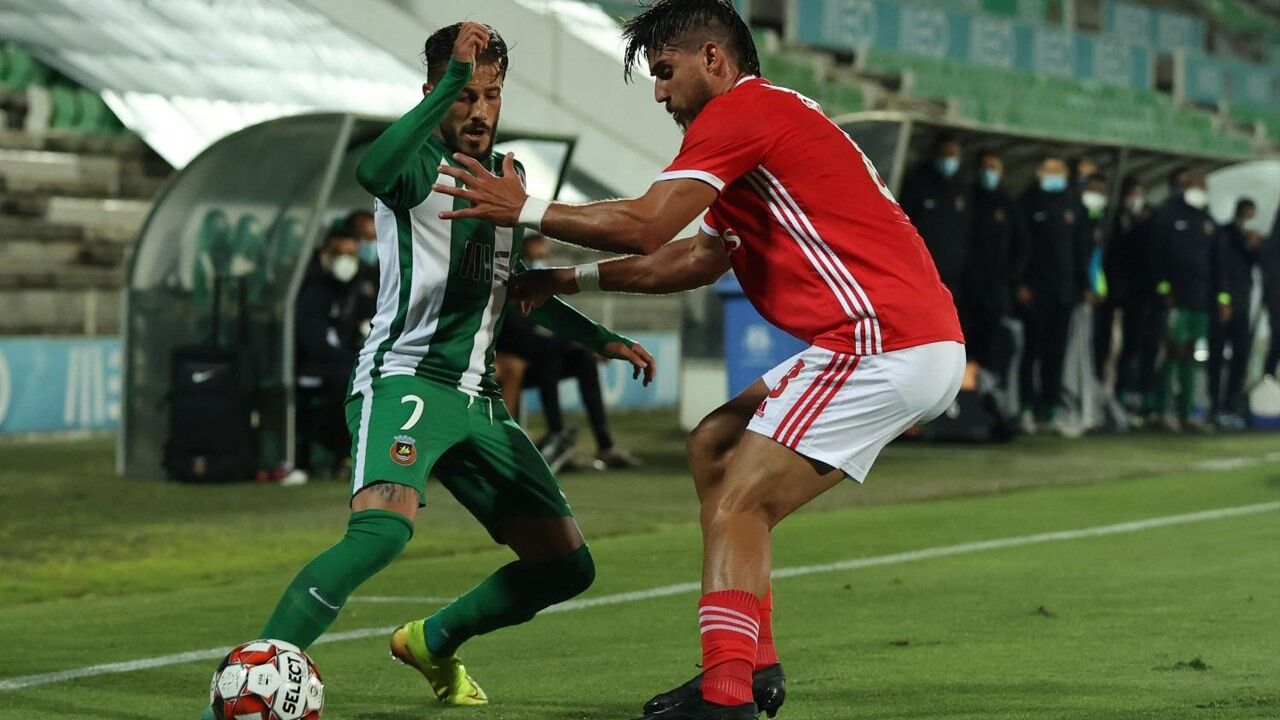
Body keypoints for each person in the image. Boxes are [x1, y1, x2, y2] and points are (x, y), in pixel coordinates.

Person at [430, 3, 965, 718]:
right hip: (893, 340)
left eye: (664, 71)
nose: (659, 93)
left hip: (882, 342)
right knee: (713, 443)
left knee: (741, 503)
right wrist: (567, 280)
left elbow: (649, 225)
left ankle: (726, 693)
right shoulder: (766, 122)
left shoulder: (741, 113)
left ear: (714, 59)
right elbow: (694, 258)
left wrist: (525, 208)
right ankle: (754, 667)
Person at [201, 22, 656, 719]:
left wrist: (598, 338)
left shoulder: (509, 180)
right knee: (382, 532)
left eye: (491, 95)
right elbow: (371, 172)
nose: (478, 110)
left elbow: (512, 285)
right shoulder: (415, 164)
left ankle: (431, 641)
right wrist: (446, 88)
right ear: (434, 92)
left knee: (567, 565)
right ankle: (247, 690)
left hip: (479, 400)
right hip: (406, 379)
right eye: (464, 94)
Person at [496, 233, 642, 471]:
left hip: (539, 358)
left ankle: (604, 445)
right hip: (513, 357)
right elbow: (517, 336)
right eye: (534, 252)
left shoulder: (544, 285)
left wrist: (590, 344)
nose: (540, 257)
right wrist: (583, 343)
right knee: (552, 358)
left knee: (583, 360)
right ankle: (556, 436)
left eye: (543, 252)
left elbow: (557, 328)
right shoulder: (507, 283)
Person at [1015, 155, 1093, 436]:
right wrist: (1021, 282)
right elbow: (1020, 246)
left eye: (1058, 171)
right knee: (1031, 351)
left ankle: (1050, 409)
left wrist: (1083, 286)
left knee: (1056, 352)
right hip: (1035, 291)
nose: (1054, 175)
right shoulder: (1027, 203)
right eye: (1049, 170)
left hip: (1064, 292)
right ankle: (1025, 407)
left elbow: (1082, 249)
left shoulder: (1073, 205)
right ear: (1039, 172)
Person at [1150, 172, 1227, 431]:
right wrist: (1164, 289)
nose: (1199, 192)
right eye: (1194, 186)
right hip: (1175, 298)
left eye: (1202, 187)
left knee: (1193, 354)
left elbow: (1217, 264)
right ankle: (1162, 409)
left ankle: (1186, 412)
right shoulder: (1168, 215)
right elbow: (1157, 256)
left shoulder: (1208, 220)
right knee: (1173, 350)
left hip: (1200, 300)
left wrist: (1222, 298)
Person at [294, 228, 364, 477]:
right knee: (347, 380)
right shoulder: (313, 290)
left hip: (346, 362)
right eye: (339, 253)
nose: (346, 260)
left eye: (351, 253)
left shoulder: (360, 288)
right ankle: (340, 453)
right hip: (317, 366)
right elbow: (313, 343)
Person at [962, 149, 1028, 377]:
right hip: (965, 286)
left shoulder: (1008, 204)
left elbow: (1021, 246)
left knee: (989, 341)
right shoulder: (967, 197)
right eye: (985, 167)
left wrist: (1007, 277)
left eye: (993, 168)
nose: (988, 172)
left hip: (994, 289)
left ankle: (985, 385)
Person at [1208, 198, 1262, 428]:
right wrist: (1224, 300)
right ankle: (1214, 405)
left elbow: (1256, 265)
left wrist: (1254, 246)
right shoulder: (1224, 233)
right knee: (1216, 355)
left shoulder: (1251, 238)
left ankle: (1231, 406)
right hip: (1224, 304)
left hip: (1243, 305)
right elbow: (1221, 269)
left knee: (1240, 356)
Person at [1103, 176, 1154, 415]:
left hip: (1138, 295)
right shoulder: (1112, 221)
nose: (1135, 199)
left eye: (1138, 194)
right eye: (1132, 194)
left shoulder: (1148, 224)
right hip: (1111, 295)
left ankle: (1124, 393)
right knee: (1108, 344)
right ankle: (1105, 391)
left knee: (1133, 344)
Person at [899, 134, 971, 301]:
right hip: (921, 267)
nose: (949, 159)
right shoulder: (918, 183)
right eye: (945, 154)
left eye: (953, 155)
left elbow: (966, 228)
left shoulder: (962, 188)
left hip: (951, 272)